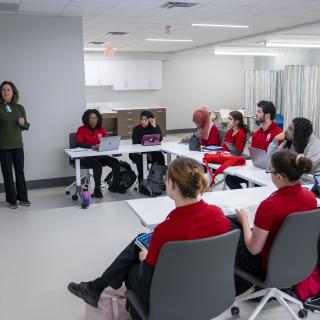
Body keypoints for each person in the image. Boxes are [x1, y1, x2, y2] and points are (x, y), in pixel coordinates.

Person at [67, 157, 231, 318]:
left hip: (171, 294)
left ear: (171, 185)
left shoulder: (165, 231)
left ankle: (97, 289)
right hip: (208, 288)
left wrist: (145, 259)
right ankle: (95, 288)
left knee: (132, 268)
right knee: (142, 238)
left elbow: (146, 281)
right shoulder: (218, 215)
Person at [230, 150, 317, 294]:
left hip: (268, 267)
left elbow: (253, 249)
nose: (268, 174)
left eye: (268, 171)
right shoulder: (310, 198)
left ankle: (241, 287)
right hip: (300, 262)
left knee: (230, 227)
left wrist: (245, 221)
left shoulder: (270, 206)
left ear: (279, 177)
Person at [226, 101, 282, 189]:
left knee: (254, 184)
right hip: (256, 168)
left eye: (259, 112)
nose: (256, 114)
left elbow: (278, 158)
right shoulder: (256, 134)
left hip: (269, 173)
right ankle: (245, 198)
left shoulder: (278, 134)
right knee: (229, 178)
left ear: (267, 115)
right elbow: (254, 155)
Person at [75, 109, 125, 196]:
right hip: (86, 157)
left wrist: (106, 146)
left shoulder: (101, 129)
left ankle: (115, 186)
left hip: (99, 155)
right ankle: (97, 189)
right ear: (87, 119)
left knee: (115, 162)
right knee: (97, 165)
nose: (94, 120)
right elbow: (78, 144)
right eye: (91, 118)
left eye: (95, 118)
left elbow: (107, 142)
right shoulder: (81, 129)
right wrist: (91, 147)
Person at [0, 81, 30, 209]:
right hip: (3, 146)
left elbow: (26, 126)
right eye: (3, 90)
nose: (6, 92)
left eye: (8, 90)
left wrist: (23, 124)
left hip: (18, 145)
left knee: (19, 172)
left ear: (13, 92)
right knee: (7, 173)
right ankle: (12, 200)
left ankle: (23, 198)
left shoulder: (19, 108)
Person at [267, 117, 320, 184]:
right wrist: (275, 141)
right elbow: (271, 160)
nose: (285, 131)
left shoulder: (315, 146)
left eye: (290, 129)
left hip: (310, 184)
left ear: (299, 132)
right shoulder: (290, 141)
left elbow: (306, 168)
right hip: (291, 181)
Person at [129, 110, 165, 183]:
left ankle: (157, 177)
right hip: (138, 152)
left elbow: (160, 139)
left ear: (150, 120)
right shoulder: (136, 129)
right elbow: (135, 144)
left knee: (160, 156)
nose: (143, 121)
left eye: (145, 120)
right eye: (141, 119)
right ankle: (141, 179)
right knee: (140, 158)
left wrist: (154, 126)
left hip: (151, 152)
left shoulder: (155, 127)